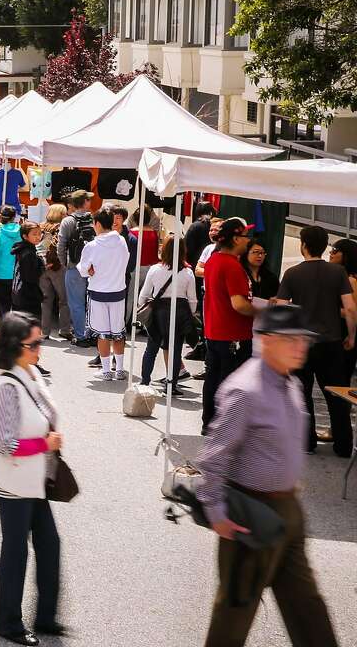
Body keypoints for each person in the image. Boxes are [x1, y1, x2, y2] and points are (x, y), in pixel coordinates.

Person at [196, 304, 340, 647]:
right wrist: (216, 512)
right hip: (251, 514)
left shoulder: (288, 381)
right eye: (292, 339)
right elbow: (215, 456)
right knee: (233, 615)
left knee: (308, 609)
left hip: (288, 511)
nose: (301, 346)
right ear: (268, 341)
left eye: (303, 339)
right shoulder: (244, 390)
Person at [0, 312, 65, 645]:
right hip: (12, 484)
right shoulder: (5, 386)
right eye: (35, 344)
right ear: (17, 346)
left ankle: (45, 618)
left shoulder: (30, 372)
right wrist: (45, 444)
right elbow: (5, 444)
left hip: (33, 481)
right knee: (16, 552)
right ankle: (8, 624)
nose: (40, 348)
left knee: (49, 545)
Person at [272, 225, 356, 457]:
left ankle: (306, 442)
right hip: (331, 342)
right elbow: (350, 308)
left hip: (301, 343)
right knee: (337, 396)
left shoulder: (292, 273)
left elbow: (280, 309)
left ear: (304, 246)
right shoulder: (338, 273)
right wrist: (351, 335)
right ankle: (343, 445)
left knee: (302, 393)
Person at [202, 218, 258, 432]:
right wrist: (263, 311)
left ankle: (209, 422)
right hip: (232, 334)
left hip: (216, 331)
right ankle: (224, 427)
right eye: (246, 236)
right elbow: (239, 304)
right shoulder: (230, 264)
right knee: (230, 382)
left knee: (213, 379)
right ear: (235, 239)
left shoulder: (214, 260)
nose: (248, 241)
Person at [137, 235, 197, 392]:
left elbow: (143, 295)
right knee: (176, 349)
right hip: (180, 311)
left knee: (152, 347)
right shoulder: (188, 273)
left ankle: (145, 381)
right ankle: (172, 384)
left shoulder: (155, 269)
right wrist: (189, 315)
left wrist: (143, 307)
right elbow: (192, 299)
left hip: (158, 312)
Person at [78, 208, 131, 381]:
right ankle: (120, 369)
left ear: (98, 224)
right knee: (118, 332)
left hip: (98, 291)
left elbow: (84, 270)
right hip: (118, 290)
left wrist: (91, 270)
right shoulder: (122, 240)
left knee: (103, 333)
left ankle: (107, 370)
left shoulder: (92, 246)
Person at [57, 190, 96, 347]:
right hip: (93, 268)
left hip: (74, 266)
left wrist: (64, 264)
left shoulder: (67, 221)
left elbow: (61, 245)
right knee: (92, 302)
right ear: (85, 202)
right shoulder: (93, 219)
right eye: (89, 200)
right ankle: (93, 333)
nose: (90, 203)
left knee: (76, 303)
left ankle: (80, 336)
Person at [38, 204, 71, 340]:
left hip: (41, 266)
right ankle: (64, 329)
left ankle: (44, 331)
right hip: (57, 267)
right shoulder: (60, 228)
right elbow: (61, 248)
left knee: (45, 300)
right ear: (61, 215)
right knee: (64, 300)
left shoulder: (39, 227)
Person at [330, 237, 357, 393]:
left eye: (335, 251)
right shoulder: (342, 277)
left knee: (340, 381)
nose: (331, 254)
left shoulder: (350, 280)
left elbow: (353, 311)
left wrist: (326, 308)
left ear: (346, 255)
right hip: (340, 332)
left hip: (345, 334)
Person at [0, 206, 22, 325]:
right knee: (18, 305)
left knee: (2, 306)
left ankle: (4, 330)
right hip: (19, 274)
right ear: (14, 217)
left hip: (1, 276)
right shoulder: (22, 231)